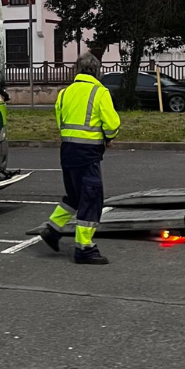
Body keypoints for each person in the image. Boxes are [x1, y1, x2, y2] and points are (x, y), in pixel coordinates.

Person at [36, 52, 121, 264]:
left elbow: (60, 120)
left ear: (78, 69)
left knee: (74, 196)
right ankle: (84, 249)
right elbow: (112, 124)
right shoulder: (100, 92)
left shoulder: (65, 93)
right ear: (97, 71)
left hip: (67, 151)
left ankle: (52, 229)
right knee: (91, 199)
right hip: (87, 154)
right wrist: (108, 138)